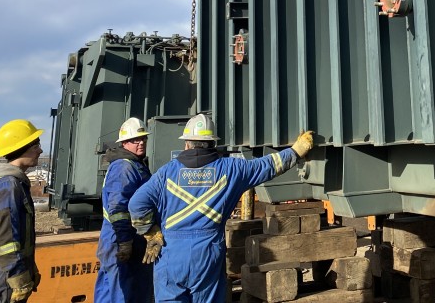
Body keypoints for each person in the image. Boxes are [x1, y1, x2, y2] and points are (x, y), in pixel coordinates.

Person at [128, 113, 314, 303]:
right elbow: (267, 166)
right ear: (212, 144)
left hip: (170, 252)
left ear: (186, 144)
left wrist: (150, 231)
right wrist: (296, 151)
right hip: (207, 255)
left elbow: (136, 204)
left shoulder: (166, 172)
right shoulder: (231, 169)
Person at [0, 119, 44, 303]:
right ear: (23, 147)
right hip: (3, 277)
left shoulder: (14, 184)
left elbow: (19, 237)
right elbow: (5, 240)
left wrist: (30, 268)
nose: (40, 150)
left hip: (6, 273)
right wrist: (19, 277)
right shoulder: (8, 186)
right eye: (36, 145)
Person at [94, 117, 155, 303]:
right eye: (135, 140)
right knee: (118, 292)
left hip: (129, 238)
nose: (141, 142)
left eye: (143, 138)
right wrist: (124, 240)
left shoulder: (136, 165)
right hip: (120, 238)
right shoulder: (124, 167)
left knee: (127, 290)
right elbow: (117, 207)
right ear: (124, 143)